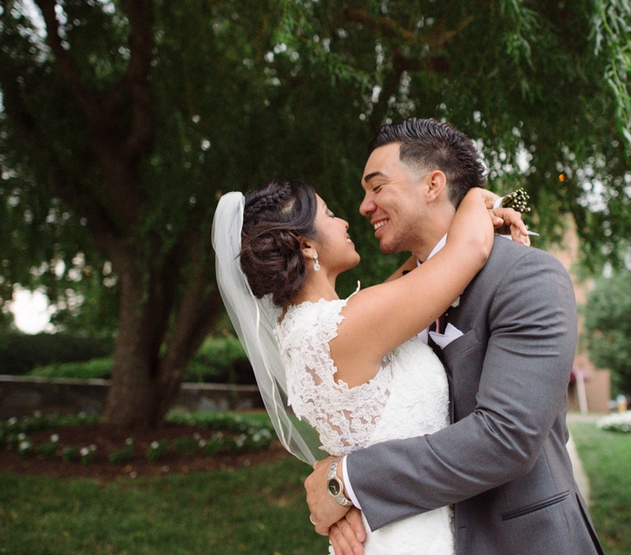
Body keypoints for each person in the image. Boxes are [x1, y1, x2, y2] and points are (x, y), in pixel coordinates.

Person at [304, 118, 604, 555]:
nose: (364, 206)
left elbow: (506, 438)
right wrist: (351, 502)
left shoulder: (528, 276)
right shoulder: (397, 299)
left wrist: (350, 481)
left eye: (377, 187)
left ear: (433, 185)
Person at [212, 178, 528, 553]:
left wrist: (335, 484)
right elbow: (468, 250)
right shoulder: (342, 329)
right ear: (306, 244)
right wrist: (476, 195)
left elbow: (419, 272)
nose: (345, 221)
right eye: (330, 214)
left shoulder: (310, 328)